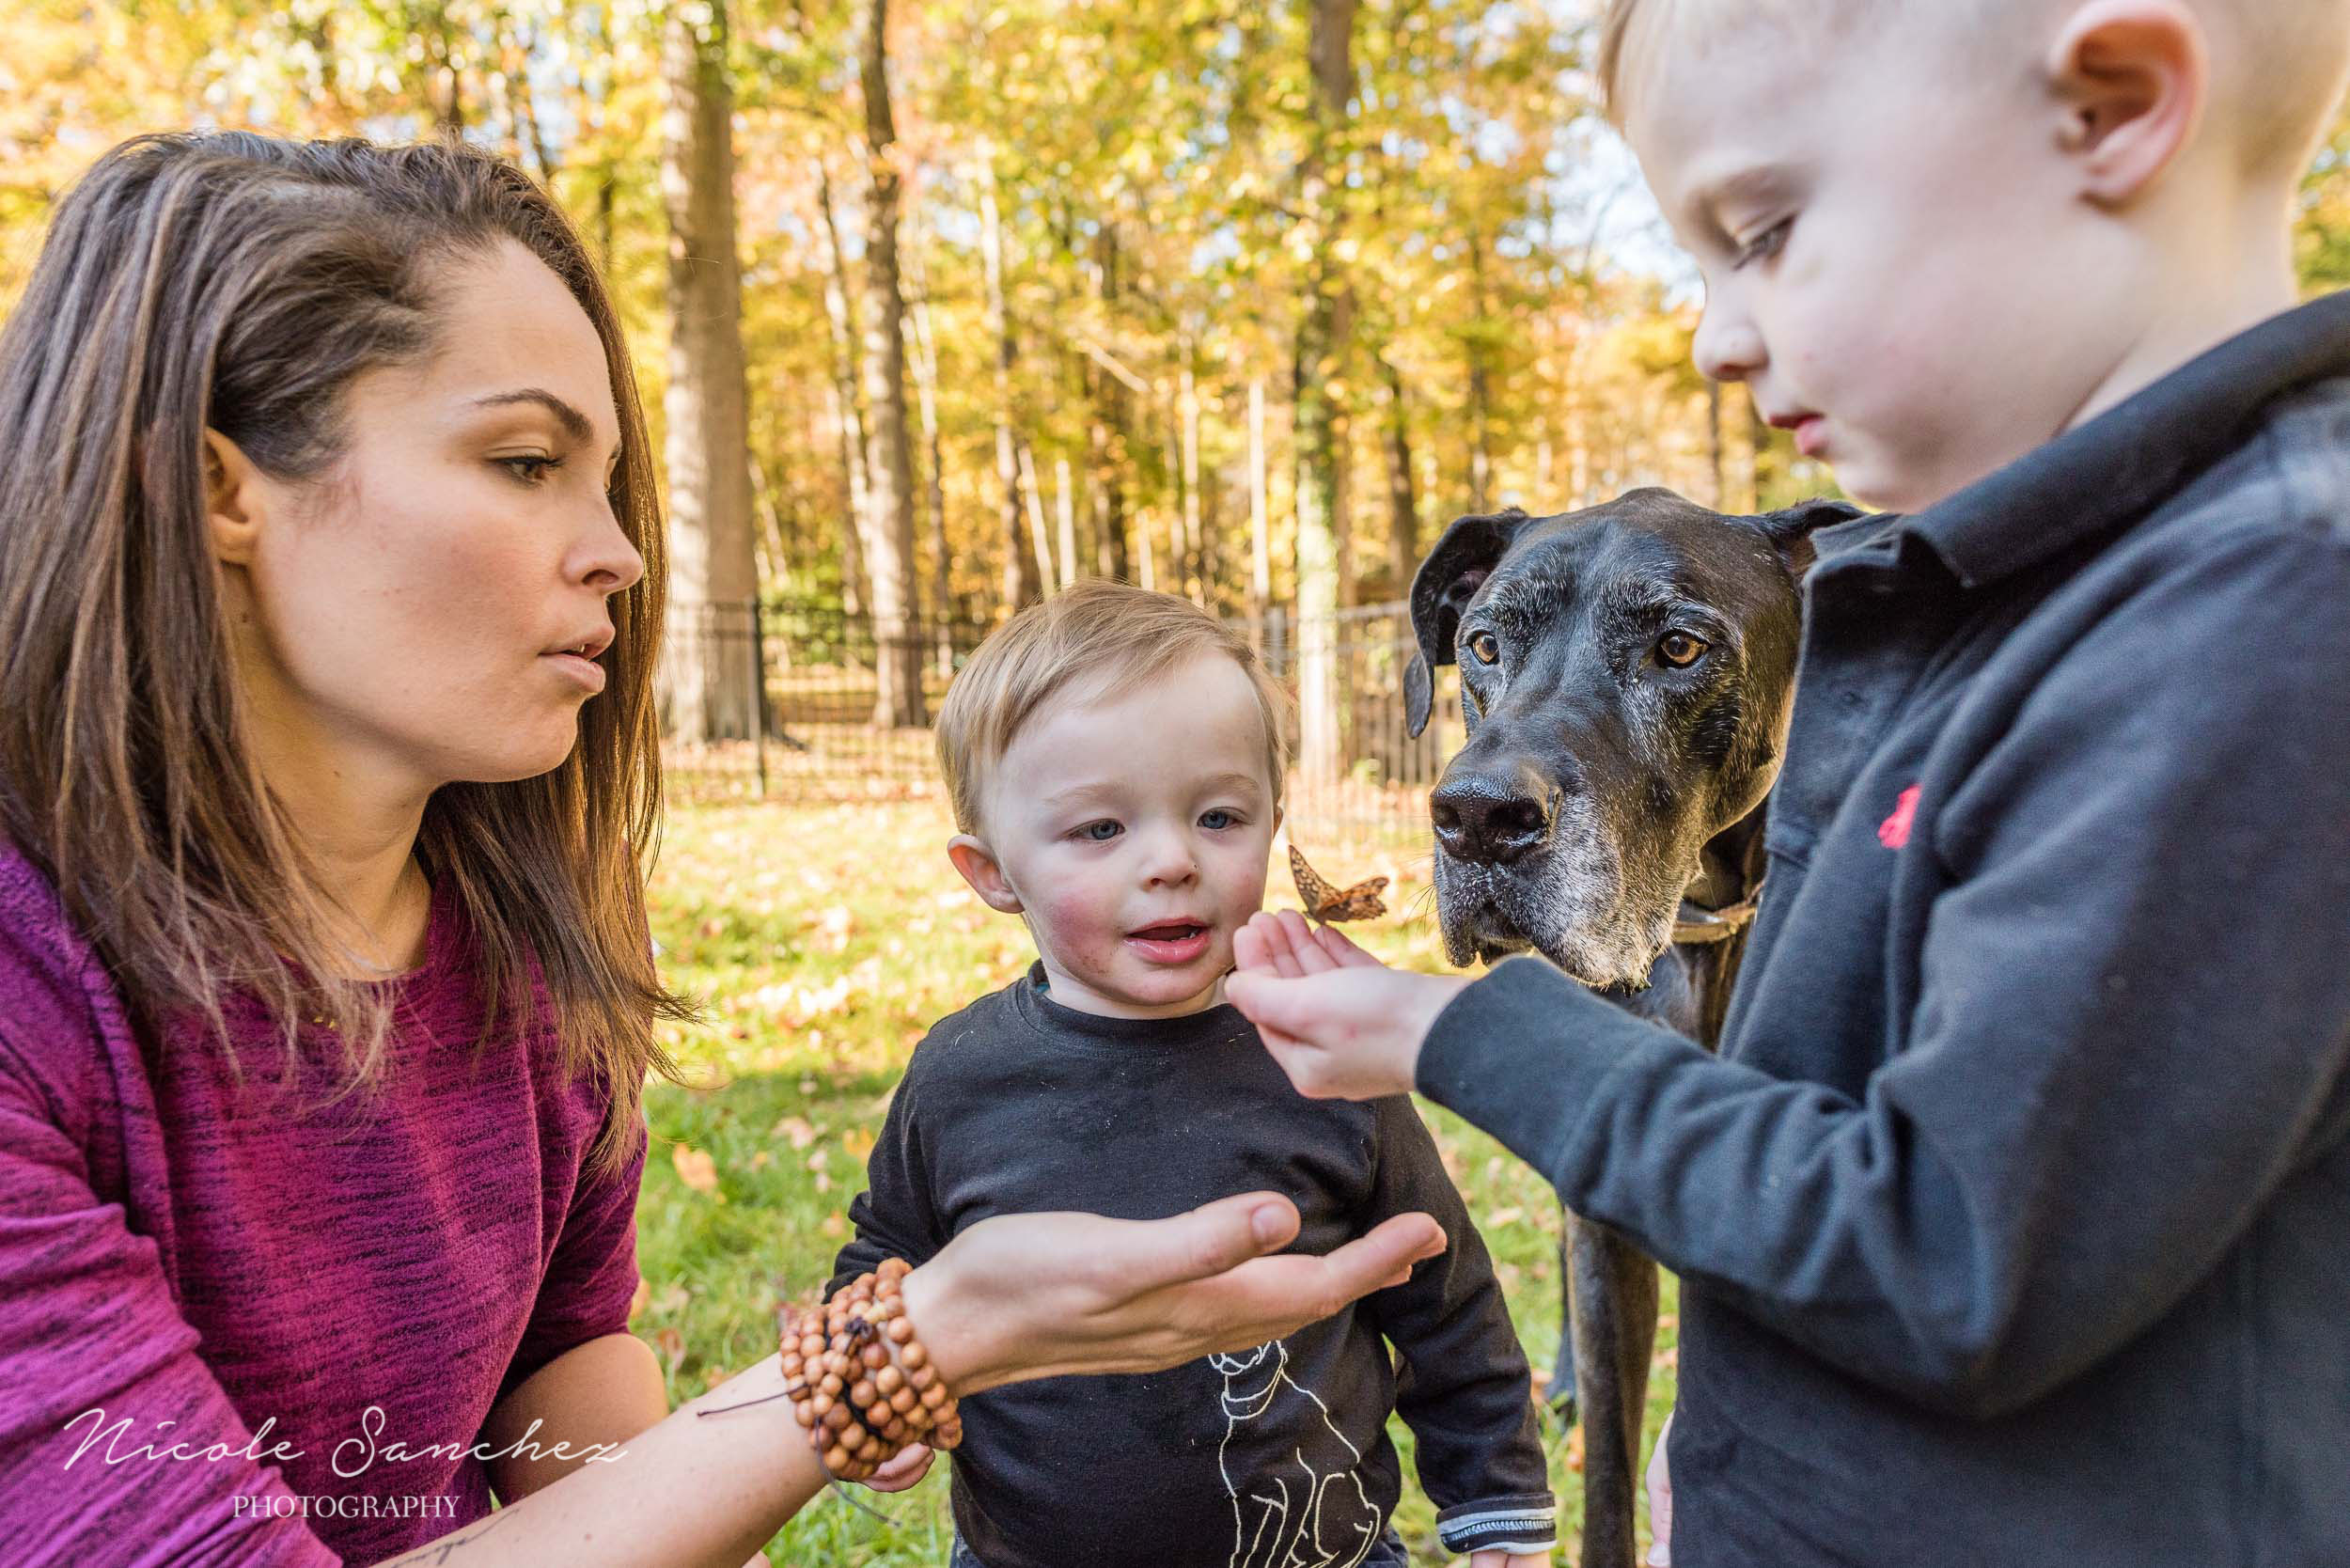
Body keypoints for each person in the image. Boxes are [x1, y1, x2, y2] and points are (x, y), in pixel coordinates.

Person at [0, 131, 1449, 1568]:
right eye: (522, 461)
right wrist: (904, 1344)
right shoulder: (32, 987)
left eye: (607, 478)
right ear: (216, 491)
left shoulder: (519, 939)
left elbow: (562, 1365)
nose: (619, 552)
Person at [1221, 3, 2350, 1565]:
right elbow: (1842, 1140)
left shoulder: (2259, 622)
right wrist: (1734, 1434)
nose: (1711, 336)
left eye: (1764, 232)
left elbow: (1946, 1249)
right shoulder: (2040, 600)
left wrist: (1453, 1023)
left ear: (2111, 108)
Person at [827, 582, 1558, 1568]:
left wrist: (1497, 1510)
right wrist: (875, 1388)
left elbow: (1445, 1298)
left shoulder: (1324, 1056)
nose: (1171, 860)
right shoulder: (961, 1077)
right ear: (991, 870)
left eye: (1218, 817)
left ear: (1272, 822)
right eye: (1099, 829)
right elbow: (887, 1257)